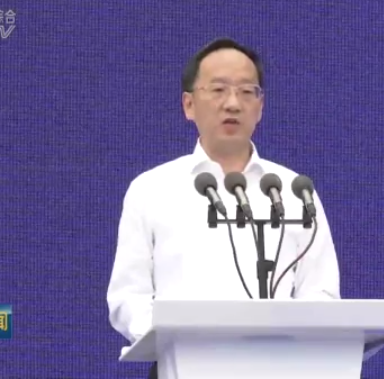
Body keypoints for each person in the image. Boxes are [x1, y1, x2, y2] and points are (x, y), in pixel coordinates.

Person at [106, 38, 341, 379]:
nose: (233, 103)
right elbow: (128, 296)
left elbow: (321, 292)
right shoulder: (151, 189)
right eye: (218, 90)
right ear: (189, 105)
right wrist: (170, 336)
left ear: (260, 106)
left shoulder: (294, 191)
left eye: (246, 92)